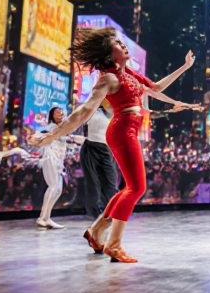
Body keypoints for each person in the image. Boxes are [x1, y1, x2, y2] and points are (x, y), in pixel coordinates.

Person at [35, 31, 198, 263]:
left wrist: (184, 67)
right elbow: (84, 111)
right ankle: (113, 244)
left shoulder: (129, 73)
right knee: (137, 188)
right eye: (118, 44)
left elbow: (157, 88)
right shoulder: (109, 78)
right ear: (109, 54)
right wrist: (52, 134)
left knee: (129, 188)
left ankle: (95, 231)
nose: (123, 45)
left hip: (128, 130)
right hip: (121, 131)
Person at [28, 106, 85, 230]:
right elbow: (53, 136)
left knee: (58, 188)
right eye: (57, 113)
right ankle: (42, 218)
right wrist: (74, 138)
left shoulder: (63, 129)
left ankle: (46, 217)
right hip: (50, 157)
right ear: (52, 116)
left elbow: (66, 138)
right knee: (54, 186)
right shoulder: (52, 128)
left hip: (58, 160)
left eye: (61, 112)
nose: (60, 114)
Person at [79, 103, 118, 221]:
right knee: (93, 183)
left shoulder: (112, 112)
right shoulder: (89, 110)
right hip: (91, 147)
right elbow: (72, 123)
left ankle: (110, 211)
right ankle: (97, 212)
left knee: (110, 182)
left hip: (106, 150)